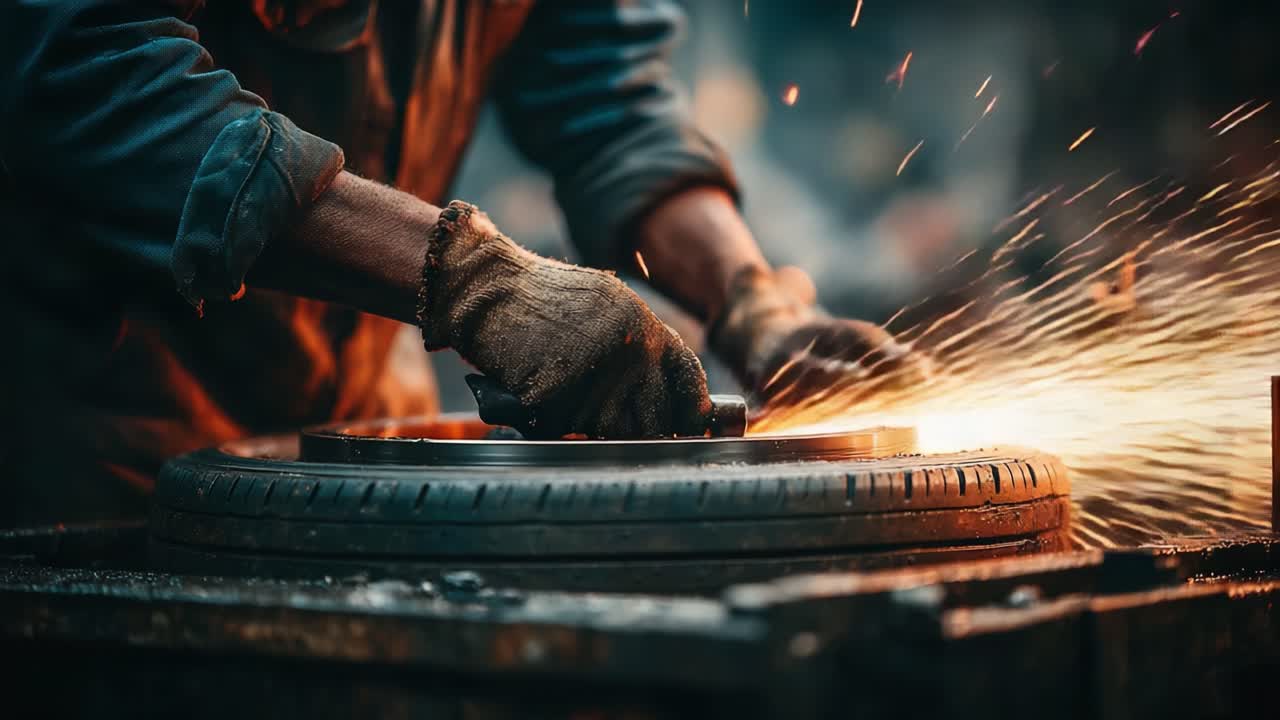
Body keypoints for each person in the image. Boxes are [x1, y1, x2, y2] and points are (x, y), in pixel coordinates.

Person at [1, 0, 908, 526]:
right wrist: (475, 280)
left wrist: (751, 298)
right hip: (87, 467)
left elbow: (610, 99)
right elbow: (89, 74)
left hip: (346, 435)